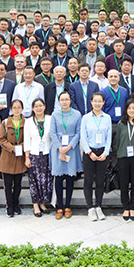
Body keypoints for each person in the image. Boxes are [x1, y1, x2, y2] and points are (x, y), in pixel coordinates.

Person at [50, 91, 83, 220]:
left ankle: (68, 206)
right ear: (59, 101)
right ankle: (59, 206)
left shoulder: (77, 114)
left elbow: (79, 132)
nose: (64, 102)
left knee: (70, 179)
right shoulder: (55, 114)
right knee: (58, 179)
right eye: (62, 99)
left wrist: (69, 147)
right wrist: (60, 148)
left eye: (66, 99)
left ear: (70, 100)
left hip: (72, 149)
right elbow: (52, 132)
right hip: (58, 148)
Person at [80, 93, 112, 221]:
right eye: (95, 101)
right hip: (90, 153)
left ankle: (98, 206)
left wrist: (105, 152)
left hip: (103, 153)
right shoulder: (86, 118)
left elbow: (109, 136)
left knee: (100, 181)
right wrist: (89, 152)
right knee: (88, 180)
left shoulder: (107, 118)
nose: (97, 103)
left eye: (100, 101)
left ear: (103, 102)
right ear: (91, 102)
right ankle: (90, 208)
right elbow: (83, 136)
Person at [114, 99, 134, 221]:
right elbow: (117, 142)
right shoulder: (121, 124)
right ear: (126, 110)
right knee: (124, 183)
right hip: (123, 157)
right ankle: (125, 206)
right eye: (129, 108)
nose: (131, 110)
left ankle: (133, 206)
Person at [0, 100, 28, 217]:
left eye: (19, 107)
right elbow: (1, 139)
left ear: (22, 109)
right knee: (8, 184)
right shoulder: (5, 122)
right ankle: (9, 205)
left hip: (20, 157)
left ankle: (16, 204)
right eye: (14, 107)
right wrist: (12, 148)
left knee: (18, 183)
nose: (16, 109)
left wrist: (21, 147)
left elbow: (29, 138)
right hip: (8, 156)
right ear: (11, 109)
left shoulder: (26, 122)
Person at [24, 98, 52, 217]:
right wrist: (27, 157)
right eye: (36, 106)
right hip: (34, 154)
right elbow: (26, 140)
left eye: (41, 106)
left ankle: (42, 203)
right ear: (32, 109)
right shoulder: (29, 121)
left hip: (47, 153)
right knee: (34, 180)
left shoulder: (50, 119)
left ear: (44, 107)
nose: (39, 108)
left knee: (46, 180)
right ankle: (35, 204)